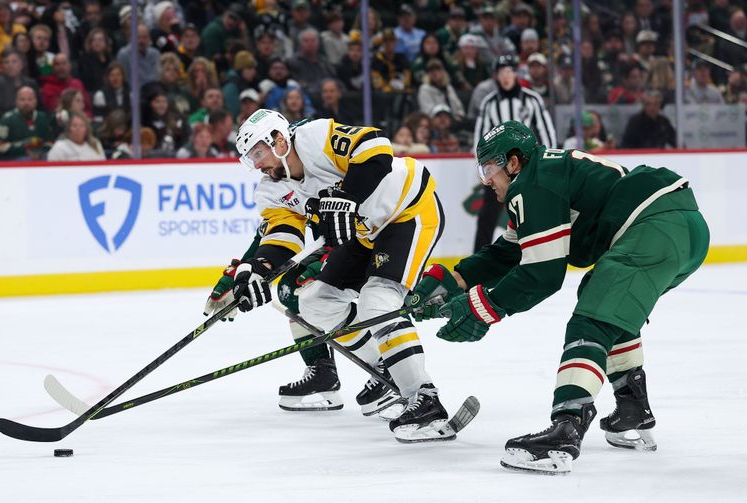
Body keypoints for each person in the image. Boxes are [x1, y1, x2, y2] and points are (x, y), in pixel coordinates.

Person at [410, 120, 709, 473]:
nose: (485, 179)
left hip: (655, 225)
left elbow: (542, 275)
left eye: (490, 168)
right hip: (681, 227)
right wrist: (452, 280)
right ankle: (632, 409)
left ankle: (566, 429)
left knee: (592, 318)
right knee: (608, 304)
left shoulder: (531, 186)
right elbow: (508, 253)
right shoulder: (543, 176)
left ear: (514, 162)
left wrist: (481, 308)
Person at [205, 109, 456, 442]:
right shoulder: (271, 190)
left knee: (378, 301)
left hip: (406, 210)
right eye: (251, 158)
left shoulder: (312, 138)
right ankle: (384, 371)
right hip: (364, 232)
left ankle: (424, 398)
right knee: (315, 303)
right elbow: (282, 236)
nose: (258, 163)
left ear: (279, 139)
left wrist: (345, 198)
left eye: (259, 153)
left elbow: (375, 145)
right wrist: (257, 272)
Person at [473, 54, 556, 252]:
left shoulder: (532, 99)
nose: (506, 76)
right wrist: (484, 167)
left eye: (509, 71)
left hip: (527, 163)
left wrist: (547, 162)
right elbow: (480, 135)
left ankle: (538, 249)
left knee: (531, 209)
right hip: (498, 167)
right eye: (502, 72)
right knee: (487, 215)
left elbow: (546, 130)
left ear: (516, 73)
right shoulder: (489, 103)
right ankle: (478, 256)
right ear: (496, 76)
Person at [0, 85, 54, 160]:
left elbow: (50, 142)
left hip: (41, 156)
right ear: (16, 102)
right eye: (22, 99)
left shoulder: (42, 118)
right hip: (15, 159)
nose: (26, 103)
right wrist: (24, 147)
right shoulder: (7, 119)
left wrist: (39, 151)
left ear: (35, 101)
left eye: (30, 99)